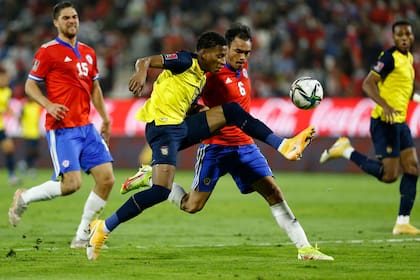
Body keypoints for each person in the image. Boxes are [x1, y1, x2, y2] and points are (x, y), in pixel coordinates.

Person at [86, 30, 315, 260]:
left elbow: (186, 100)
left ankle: (283, 144)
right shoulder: (186, 60)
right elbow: (144, 60)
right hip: (163, 129)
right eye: (218, 56)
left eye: (225, 56)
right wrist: (141, 72)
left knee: (231, 111)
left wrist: (201, 111)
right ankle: (103, 228)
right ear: (203, 53)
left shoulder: (203, 75)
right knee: (160, 191)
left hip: (181, 127)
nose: (222, 61)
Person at [8, 1, 115, 249]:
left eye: (75, 17)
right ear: (56, 22)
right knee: (72, 185)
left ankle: (81, 236)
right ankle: (24, 197)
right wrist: (48, 105)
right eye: (66, 18)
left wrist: (106, 119)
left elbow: (95, 87)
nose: (72, 21)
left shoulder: (89, 52)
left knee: (107, 179)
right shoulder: (47, 51)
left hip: (86, 127)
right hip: (62, 128)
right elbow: (30, 85)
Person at [320, 20, 420, 235]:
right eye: (399, 34)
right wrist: (385, 106)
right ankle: (345, 149)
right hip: (384, 122)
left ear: (412, 37)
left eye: (407, 34)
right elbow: (368, 83)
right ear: (393, 38)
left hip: (400, 122)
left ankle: (402, 222)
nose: (404, 37)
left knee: (412, 168)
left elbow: (404, 89)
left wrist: (416, 96)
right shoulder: (389, 57)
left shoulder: (408, 59)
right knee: (389, 175)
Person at [0, 65, 21, 186]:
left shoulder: (7, 91)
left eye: (6, 78)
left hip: (1, 127)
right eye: (3, 78)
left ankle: (12, 176)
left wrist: (14, 114)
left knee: (9, 148)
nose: (5, 80)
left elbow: (6, 106)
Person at [18, 96, 43, 177]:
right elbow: (20, 118)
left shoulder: (37, 106)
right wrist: (21, 126)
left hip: (35, 133)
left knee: (35, 152)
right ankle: (31, 168)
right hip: (27, 133)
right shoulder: (25, 107)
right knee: (29, 151)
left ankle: (24, 164)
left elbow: (40, 118)